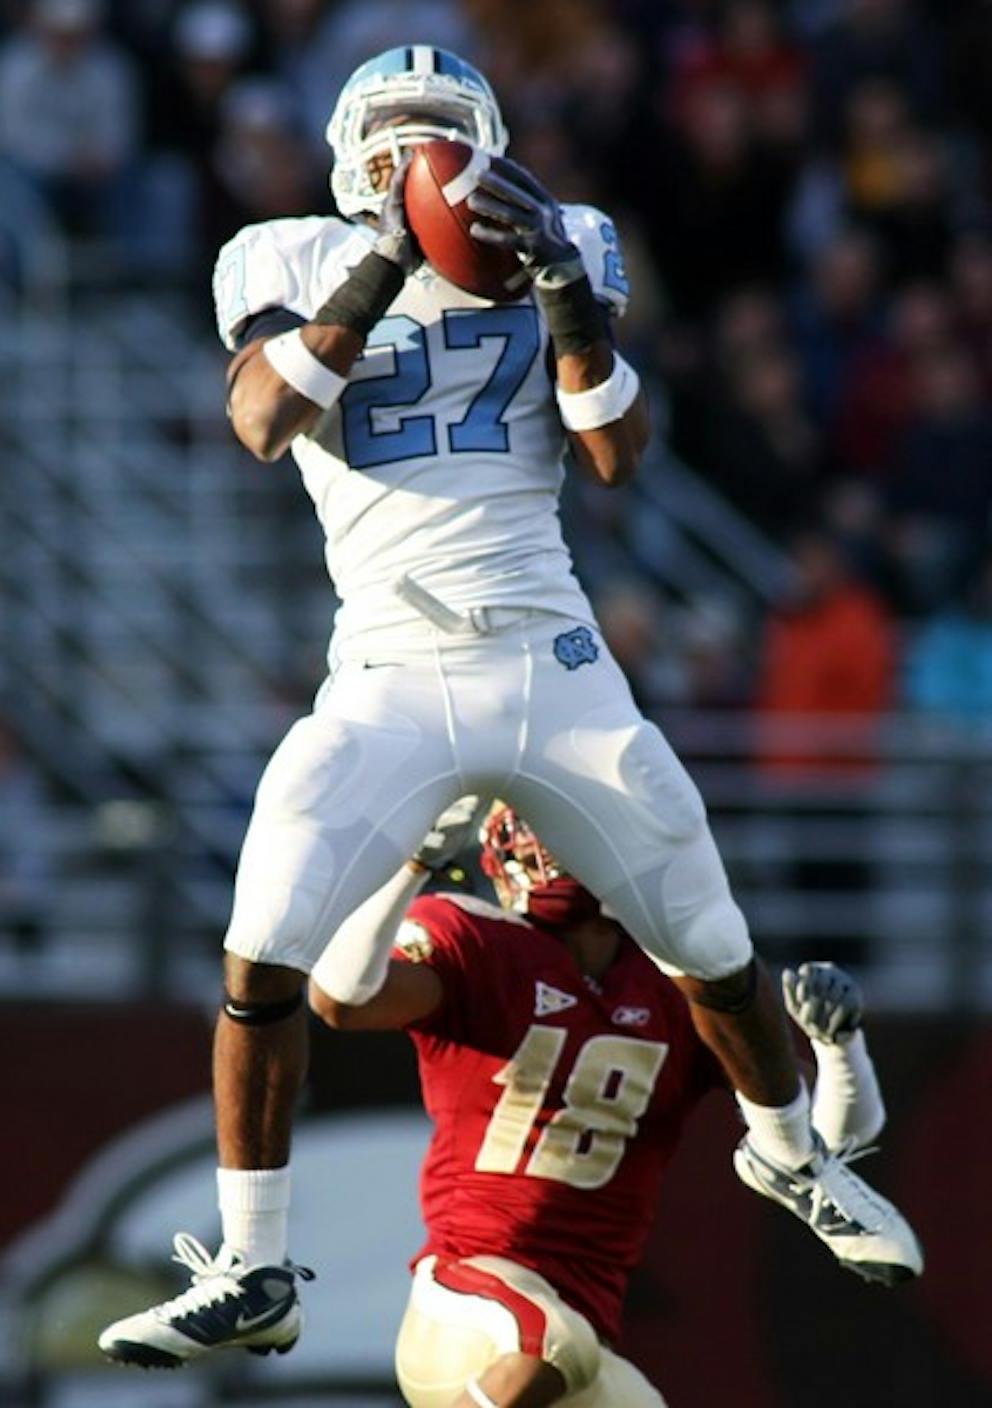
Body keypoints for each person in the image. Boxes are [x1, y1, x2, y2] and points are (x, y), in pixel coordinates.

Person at [98, 44, 920, 1369]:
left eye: (443, 136)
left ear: (487, 146)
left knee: (708, 939)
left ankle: (785, 1153)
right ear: (353, 149)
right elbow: (261, 420)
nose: (421, 157)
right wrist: (389, 257)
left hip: (549, 655)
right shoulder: (286, 254)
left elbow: (616, 455)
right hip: (384, 667)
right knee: (260, 960)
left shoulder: (570, 237)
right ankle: (254, 1262)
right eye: (401, 137)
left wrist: (560, 291)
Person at [309, 801, 898, 1408]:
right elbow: (340, 1003)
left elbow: (824, 1147)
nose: (549, 845)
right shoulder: (474, 941)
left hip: (581, 1329)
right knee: (554, 1343)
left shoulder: (676, 985)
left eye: (566, 824)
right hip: (467, 1302)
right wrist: (411, 865)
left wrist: (840, 1048)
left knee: (593, 1365)